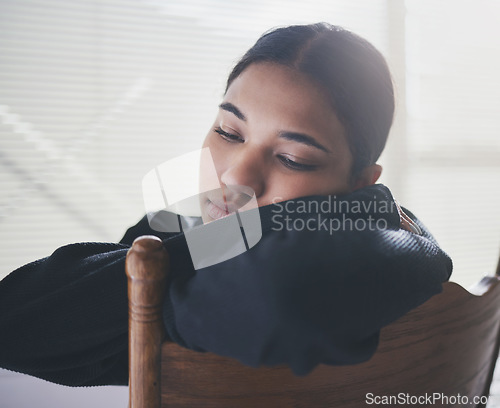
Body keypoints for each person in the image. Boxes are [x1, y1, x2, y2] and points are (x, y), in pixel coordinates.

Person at [0, 23, 452, 387]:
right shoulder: (186, 221)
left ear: (360, 184)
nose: (236, 174)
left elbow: (271, 302)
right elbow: (22, 321)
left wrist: (145, 293)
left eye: (293, 159)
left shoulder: (382, 239)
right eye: (229, 132)